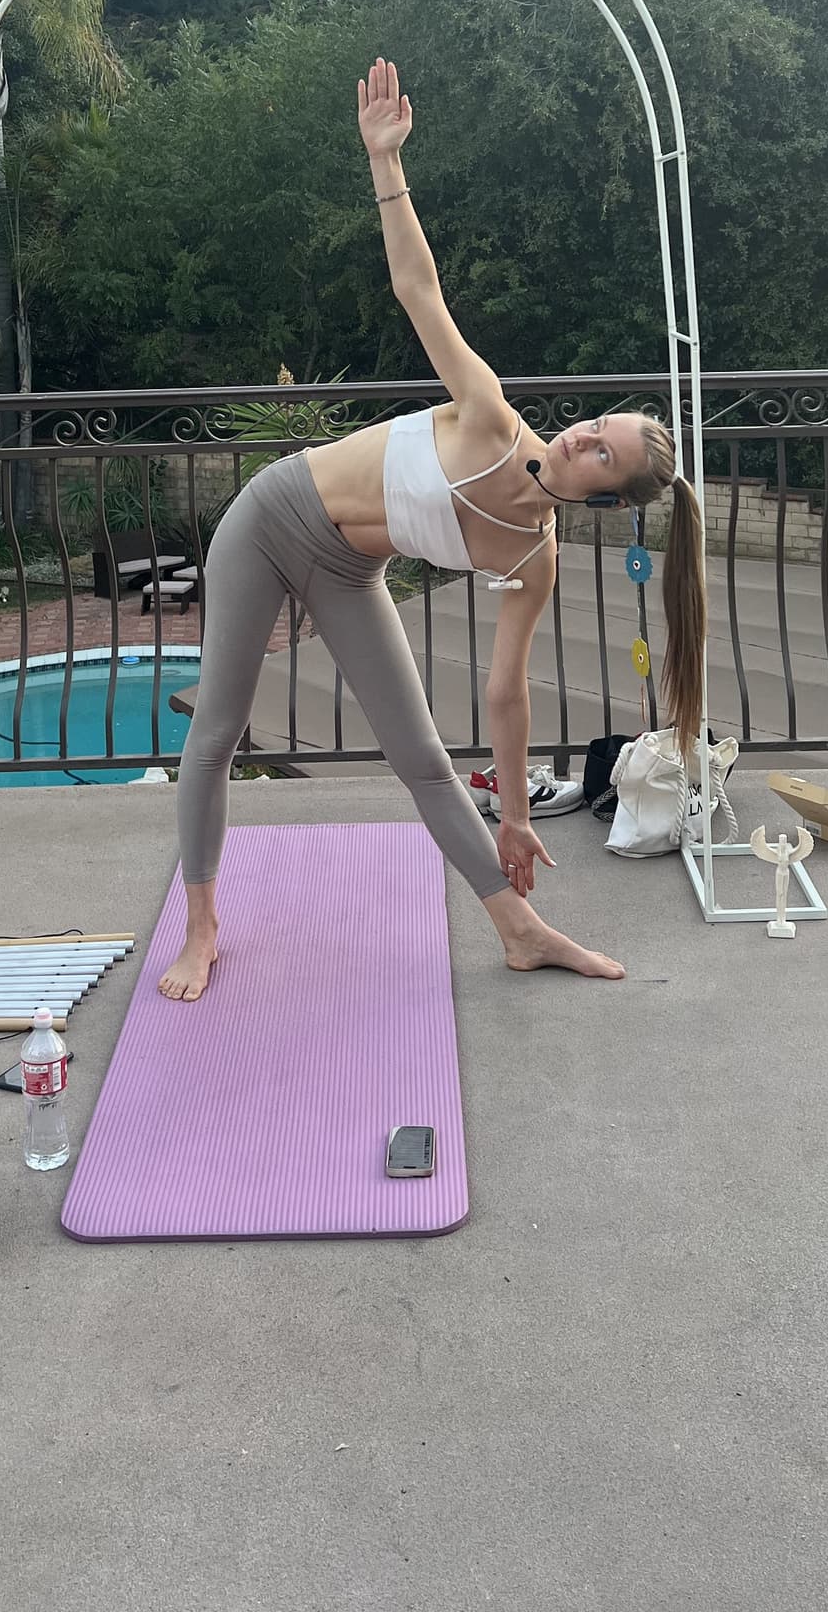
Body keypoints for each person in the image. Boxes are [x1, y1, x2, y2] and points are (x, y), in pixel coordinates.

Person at [158, 58, 708, 1001]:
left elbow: (504, 697)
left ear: (606, 500)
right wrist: (385, 162)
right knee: (214, 735)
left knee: (421, 760)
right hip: (271, 517)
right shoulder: (492, 418)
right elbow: (421, 291)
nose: (581, 435)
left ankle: (519, 927)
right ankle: (201, 925)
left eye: (601, 453)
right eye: (598, 424)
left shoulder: (534, 558)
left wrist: (514, 812)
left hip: (346, 568)